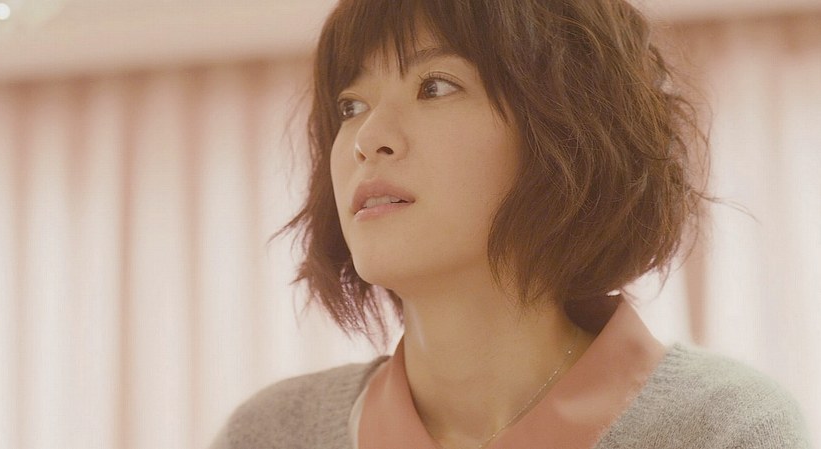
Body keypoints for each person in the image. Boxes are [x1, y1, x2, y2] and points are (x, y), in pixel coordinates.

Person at [211, 0, 810, 448]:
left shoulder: (722, 430)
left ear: (566, 133)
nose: (368, 138)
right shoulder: (272, 435)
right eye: (351, 106)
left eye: (435, 86)